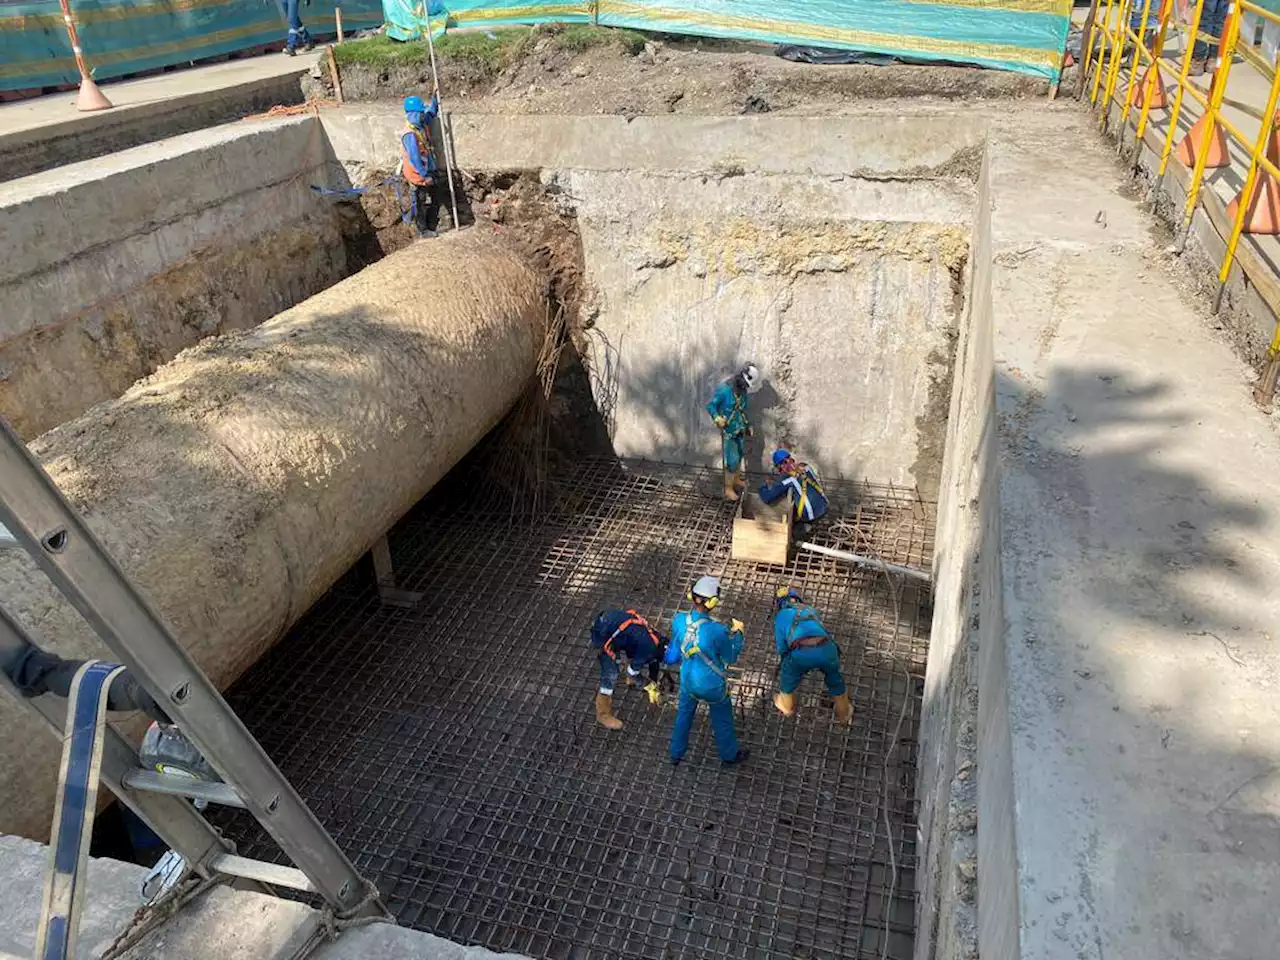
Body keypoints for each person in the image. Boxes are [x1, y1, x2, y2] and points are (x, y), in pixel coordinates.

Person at [664, 575, 749, 767]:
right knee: (722, 719)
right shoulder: (717, 630)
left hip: (688, 680)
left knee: (684, 714)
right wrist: (739, 635)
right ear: (713, 602)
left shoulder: (678, 620)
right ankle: (729, 755)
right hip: (711, 685)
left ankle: (676, 753)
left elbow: (674, 652)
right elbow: (730, 657)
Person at [771, 587, 852, 724]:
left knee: (788, 678)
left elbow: (782, 648)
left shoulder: (781, 616)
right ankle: (843, 713)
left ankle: (786, 706)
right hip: (827, 648)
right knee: (835, 678)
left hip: (802, 654)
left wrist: (787, 664)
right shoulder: (810, 610)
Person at [589, 608, 668, 730]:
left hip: (619, 628)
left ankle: (631, 682)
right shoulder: (649, 649)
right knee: (611, 673)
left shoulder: (657, 640)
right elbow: (632, 672)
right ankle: (603, 715)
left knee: (635, 654)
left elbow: (654, 661)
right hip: (603, 632)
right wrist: (648, 685)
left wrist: (654, 682)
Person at [706, 363, 762, 501]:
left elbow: (742, 409)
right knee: (732, 461)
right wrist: (717, 417)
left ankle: (736, 479)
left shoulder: (742, 390)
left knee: (740, 455)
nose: (747, 388)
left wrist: (747, 425)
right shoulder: (724, 390)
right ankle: (728, 488)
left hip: (740, 428)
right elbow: (711, 405)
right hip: (729, 431)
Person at [401, 91, 444, 239]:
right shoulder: (409, 134)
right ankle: (423, 230)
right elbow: (415, 158)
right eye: (420, 112)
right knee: (419, 203)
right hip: (417, 174)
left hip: (428, 169)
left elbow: (431, 113)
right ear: (412, 114)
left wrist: (435, 99)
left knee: (437, 196)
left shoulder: (420, 124)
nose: (422, 115)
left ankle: (432, 225)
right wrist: (425, 177)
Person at [759, 448, 828, 526]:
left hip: (812, 516)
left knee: (792, 524)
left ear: (780, 466)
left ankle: (805, 529)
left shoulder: (787, 478)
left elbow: (767, 498)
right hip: (824, 506)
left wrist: (762, 486)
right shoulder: (805, 466)